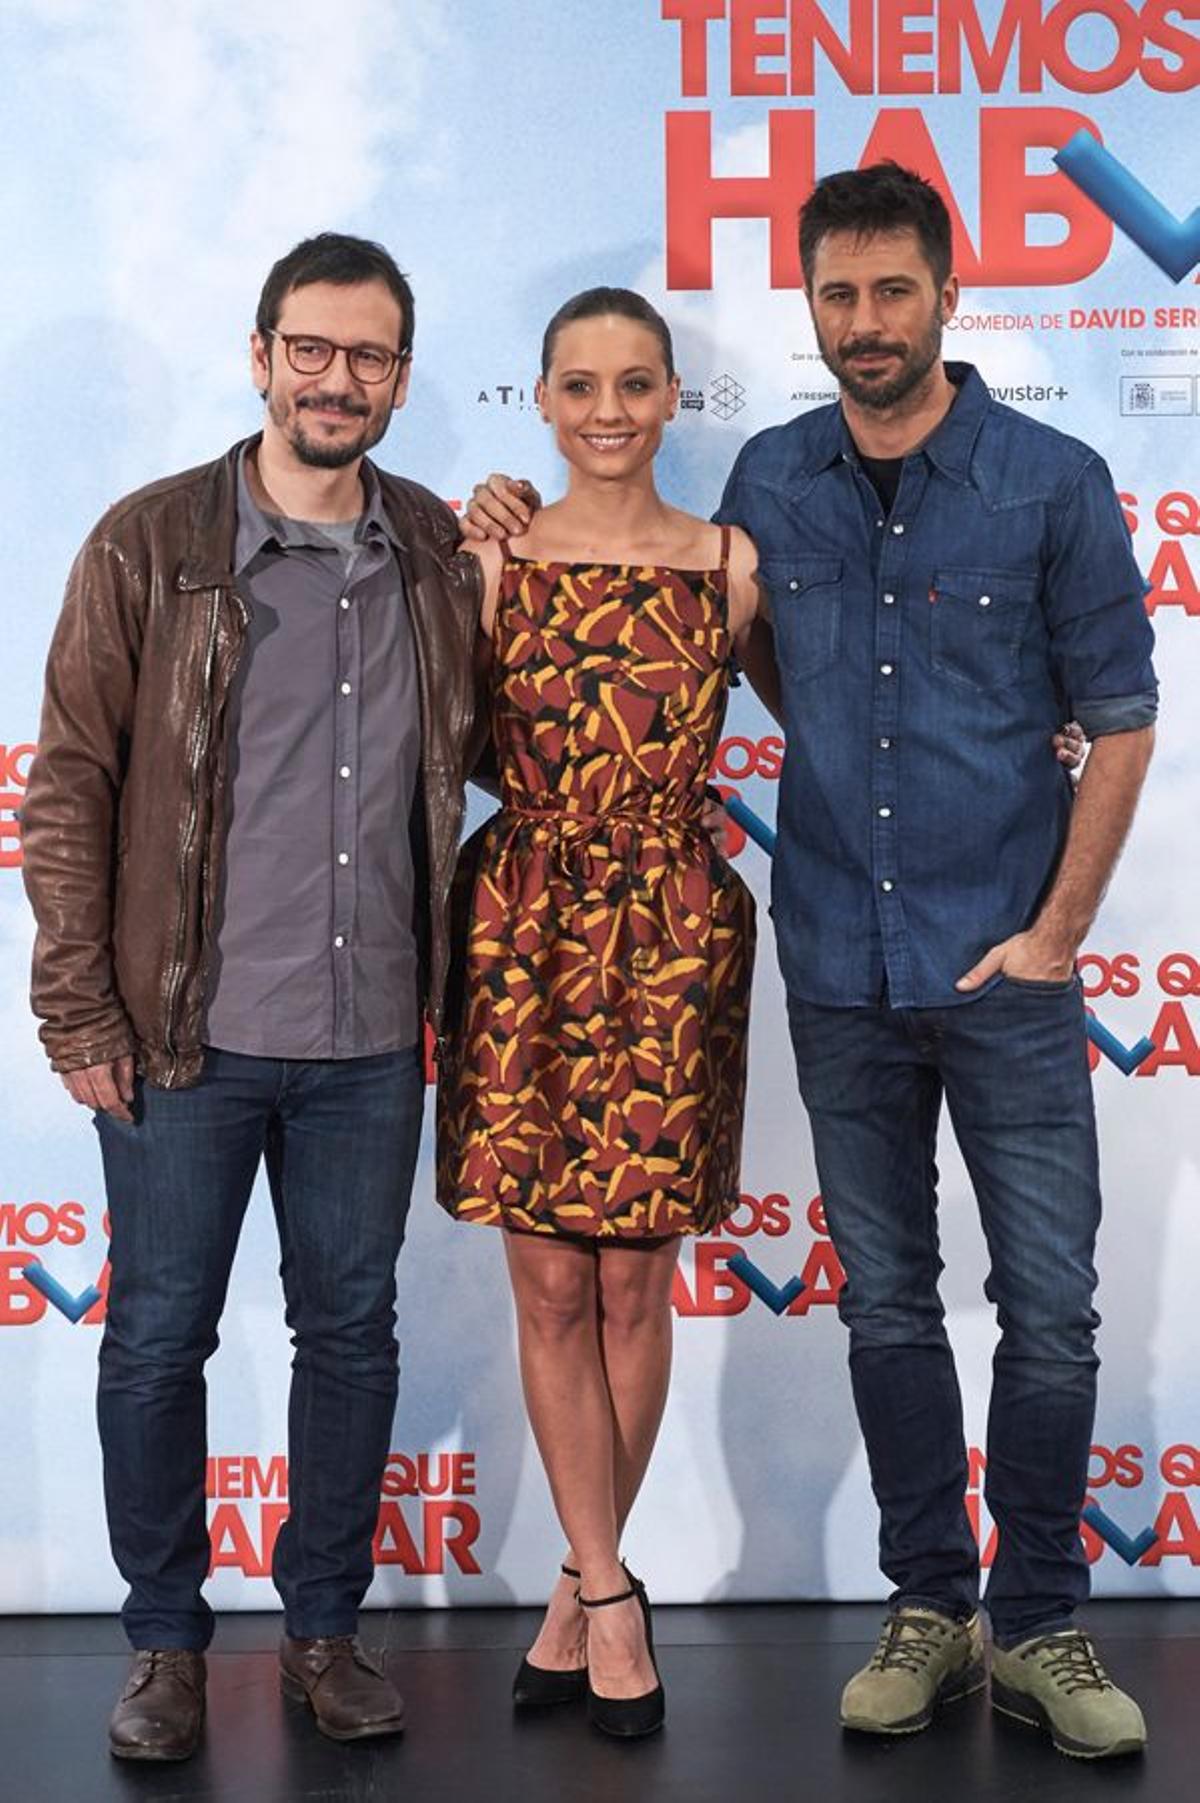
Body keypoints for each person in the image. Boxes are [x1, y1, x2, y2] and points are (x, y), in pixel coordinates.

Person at [464, 165, 1157, 1761]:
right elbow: (745, 664)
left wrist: (1055, 935)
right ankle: (930, 1608)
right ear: (812, 309)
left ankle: (1044, 1621)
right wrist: (499, 504)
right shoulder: (769, 487)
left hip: (1010, 972)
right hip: (840, 960)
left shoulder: (1054, 481)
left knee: (1048, 1310)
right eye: (837, 297)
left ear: (947, 291)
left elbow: (1119, 713)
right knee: (890, 1308)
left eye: (891, 291)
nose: (865, 324)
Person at [21, 233, 482, 1761]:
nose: (336, 379)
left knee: (351, 1337)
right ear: (262, 351)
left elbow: (497, 749)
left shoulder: (434, 553)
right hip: (182, 1042)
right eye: (312, 348)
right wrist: (78, 1012)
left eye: (368, 356)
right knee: (157, 1341)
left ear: (402, 377)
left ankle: (326, 1630)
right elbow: (73, 785)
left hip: (370, 1046)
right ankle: (162, 1644)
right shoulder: (150, 544)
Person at [437, 288, 773, 1738]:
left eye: (638, 383)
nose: (610, 411)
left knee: (633, 1285)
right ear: (543, 398)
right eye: (580, 385)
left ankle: (585, 1588)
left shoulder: (729, 564)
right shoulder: (498, 557)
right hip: (521, 929)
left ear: (671, 398)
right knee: (548, 1285)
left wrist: (1048, 725)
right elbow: (422, 730)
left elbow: (846, 711)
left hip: (673, 934)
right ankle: (613, 1595)